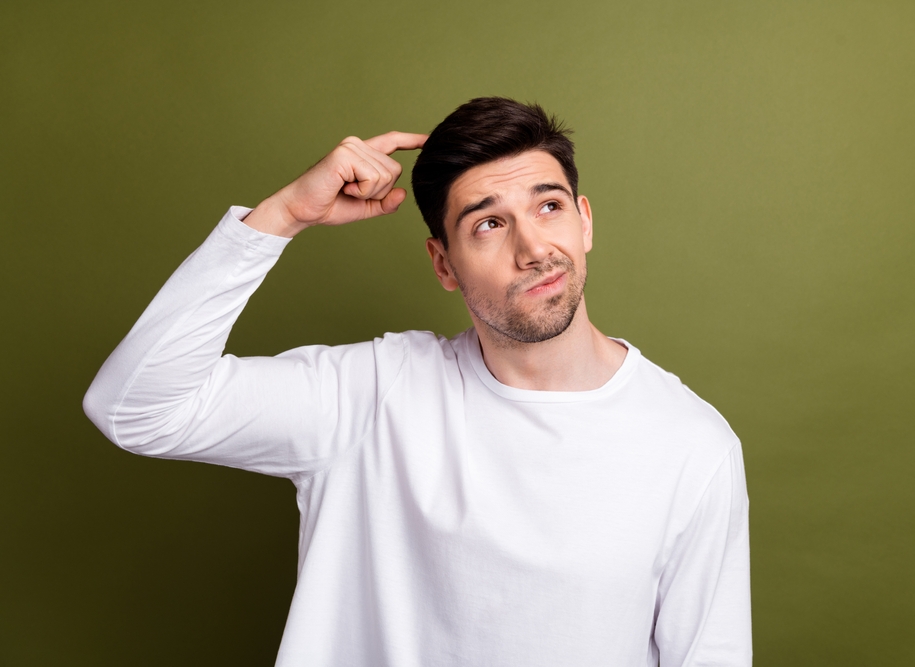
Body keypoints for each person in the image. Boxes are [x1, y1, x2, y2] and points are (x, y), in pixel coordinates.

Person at [84, 97, 751, 666]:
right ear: (443, 262)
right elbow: (136, 407)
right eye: (488, 223)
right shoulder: (374, 394)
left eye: (547, 207)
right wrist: (283, 214)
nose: (532, 248)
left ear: (584, 220)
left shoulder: (691, 444)